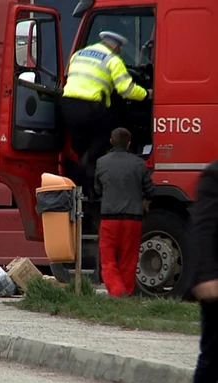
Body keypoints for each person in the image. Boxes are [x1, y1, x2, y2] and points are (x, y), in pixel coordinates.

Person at [61, 31, 153, 194]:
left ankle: (86, 183)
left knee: (82, 144)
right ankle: (91, 159)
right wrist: (147, 94)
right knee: (110, 128)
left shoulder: (78, 54)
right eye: (120, 50)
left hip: (67, 106)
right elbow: (127, 90)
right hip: (91, 108)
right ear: (116, 47)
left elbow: (72, 77)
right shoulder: (113, 60)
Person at [94, 127, 154, 297]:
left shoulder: (101, 162)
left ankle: (118, 292)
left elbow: (97, 189)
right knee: (129, 259)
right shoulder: (139, 164)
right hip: (133, 219)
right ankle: (125, 293)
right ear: (129, 144)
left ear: (111, 142)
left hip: (109, 219)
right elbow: (150, 191)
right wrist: (144, 202)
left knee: (108, 259)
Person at [189, 159, 218, 383]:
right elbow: (203, 228)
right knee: (213, 355)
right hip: (217, 285)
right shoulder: (214, 175)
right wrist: (206, 275)